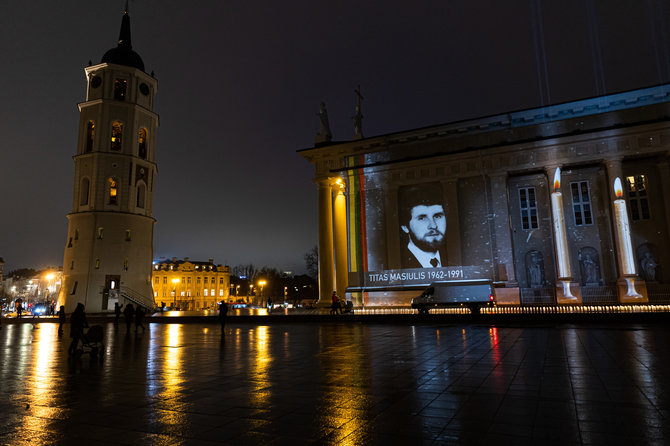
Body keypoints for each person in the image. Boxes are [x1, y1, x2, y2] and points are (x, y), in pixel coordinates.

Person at [398, 183, 448, 269]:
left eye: (437, 216)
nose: (433, 225)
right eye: (422, 218)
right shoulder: (398, 265)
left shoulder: (454, 259)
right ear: (405, 227)